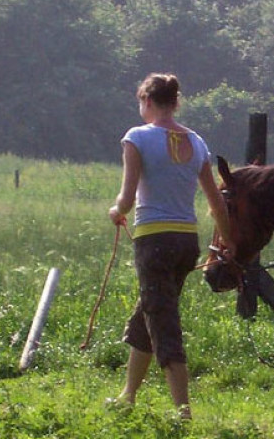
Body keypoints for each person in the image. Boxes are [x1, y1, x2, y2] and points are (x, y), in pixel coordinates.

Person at [106, 73, 234, 420]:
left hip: (154, 240)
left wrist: (116, 212)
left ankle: (183, 411)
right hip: (187, 242)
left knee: (162, 321)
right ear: (175, 102)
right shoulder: (197, 142)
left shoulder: (137, 137)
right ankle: (128, 395)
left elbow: (127, 197)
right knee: (149, 312)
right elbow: (217, 204)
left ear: (147, 101)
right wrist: (229, 242)